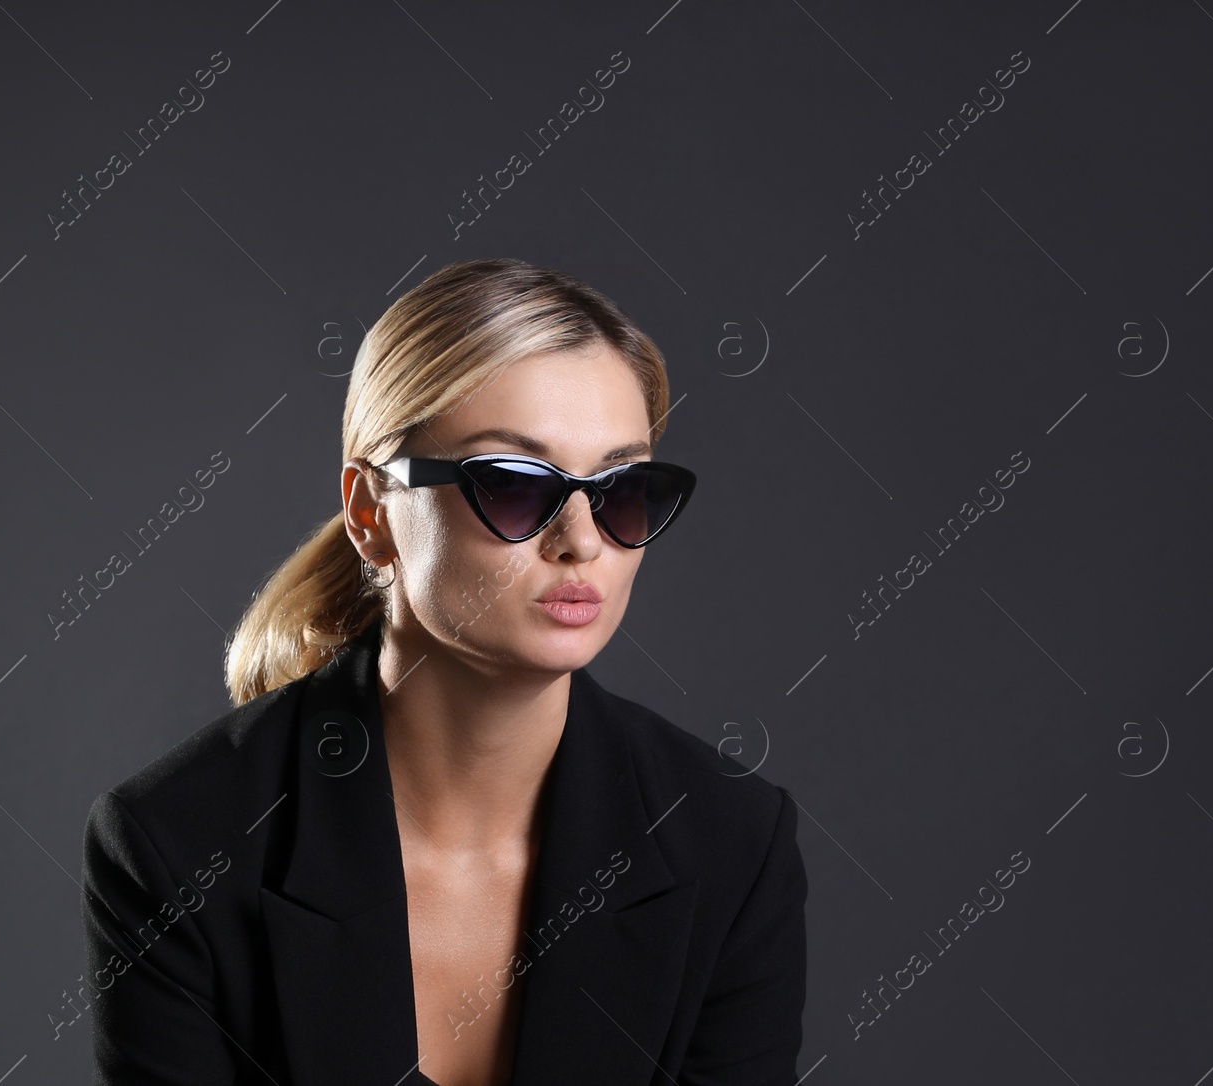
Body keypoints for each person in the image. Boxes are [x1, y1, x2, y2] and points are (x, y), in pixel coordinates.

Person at [79, 258, 808, 1085]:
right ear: (370, 515)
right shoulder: (177, 845)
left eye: (620, 488)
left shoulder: (731, 843)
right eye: (514, 484)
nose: (582, 541)